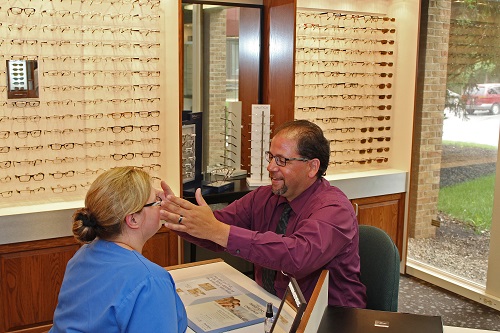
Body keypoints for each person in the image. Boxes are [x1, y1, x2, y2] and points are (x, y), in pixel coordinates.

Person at [161, 119, 366, 308]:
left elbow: (297, 256)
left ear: (312, 167)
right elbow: (215, 227)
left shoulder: (335, 209)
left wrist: (219, 231)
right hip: (272, 306)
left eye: (281, 160)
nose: (270, 167)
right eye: (270, 157)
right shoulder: (265, 196)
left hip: (328, 319)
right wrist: (168, 212)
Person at [50, 166, 187, 333]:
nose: (163, 202)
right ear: (133, 219)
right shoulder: (150, 282)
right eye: (157, 201)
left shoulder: (83, 256)